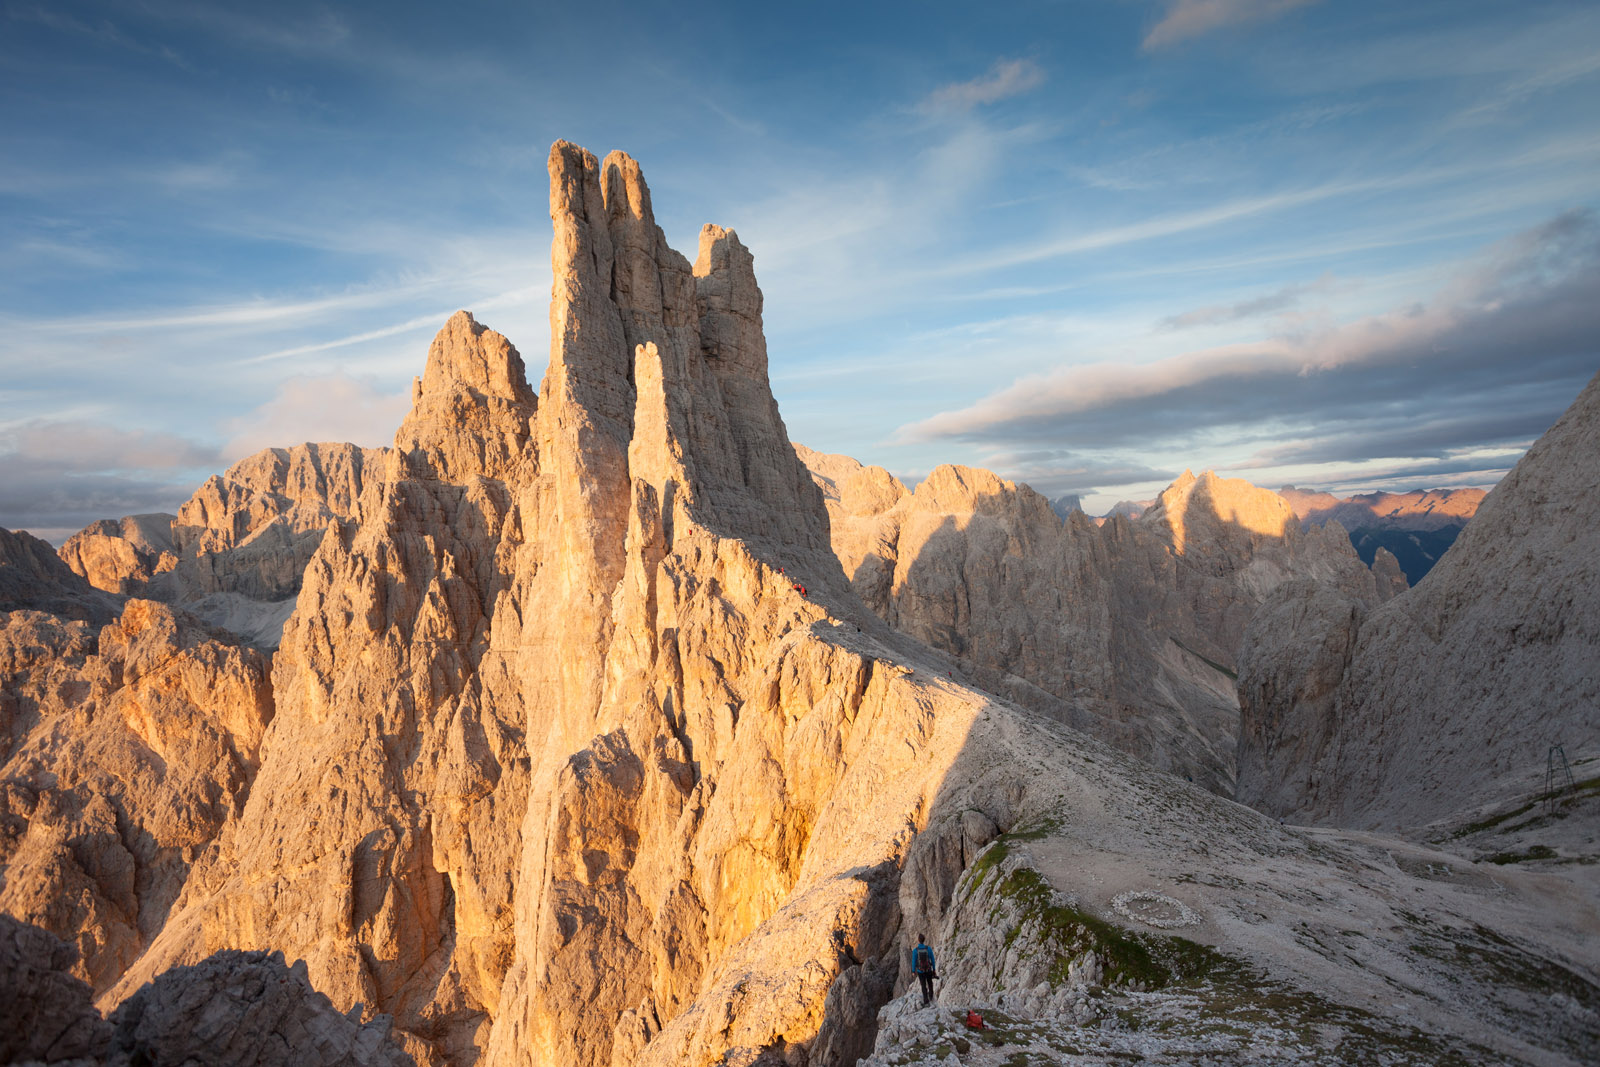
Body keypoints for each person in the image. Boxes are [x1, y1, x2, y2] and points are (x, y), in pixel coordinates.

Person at [912, 935, 936, 1007]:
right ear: (924, 940)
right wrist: (934, 969)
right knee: (930, 983)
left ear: (918, 940)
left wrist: (913, 971)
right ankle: (931, 995)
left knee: (923, 985)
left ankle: (926, 1000)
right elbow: (932, 959)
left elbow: (914, 961)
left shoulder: (915, 950)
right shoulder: (928, 948)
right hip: (928, 970)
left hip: (920, 971)